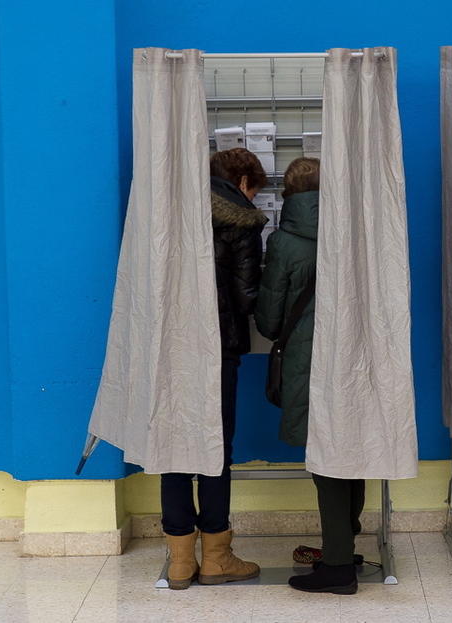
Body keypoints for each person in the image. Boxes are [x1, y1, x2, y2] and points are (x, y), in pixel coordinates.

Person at [255, 157, 364, 595]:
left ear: (288, 193)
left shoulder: (283, 241)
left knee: (325, 462)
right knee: (352, 450)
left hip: (308, 358)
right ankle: (345, 543)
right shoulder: (355, 231)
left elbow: (269, 318)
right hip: (356, 355)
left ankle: (338, 566)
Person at [160, 148, 268, 590]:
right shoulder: (241, 221)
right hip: (218, 346)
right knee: (214, 448)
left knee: (173, 446)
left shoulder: (171, 209)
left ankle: (181, 562)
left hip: (172, 344)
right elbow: (247, 298)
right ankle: (217, 559)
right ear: (242, 182)